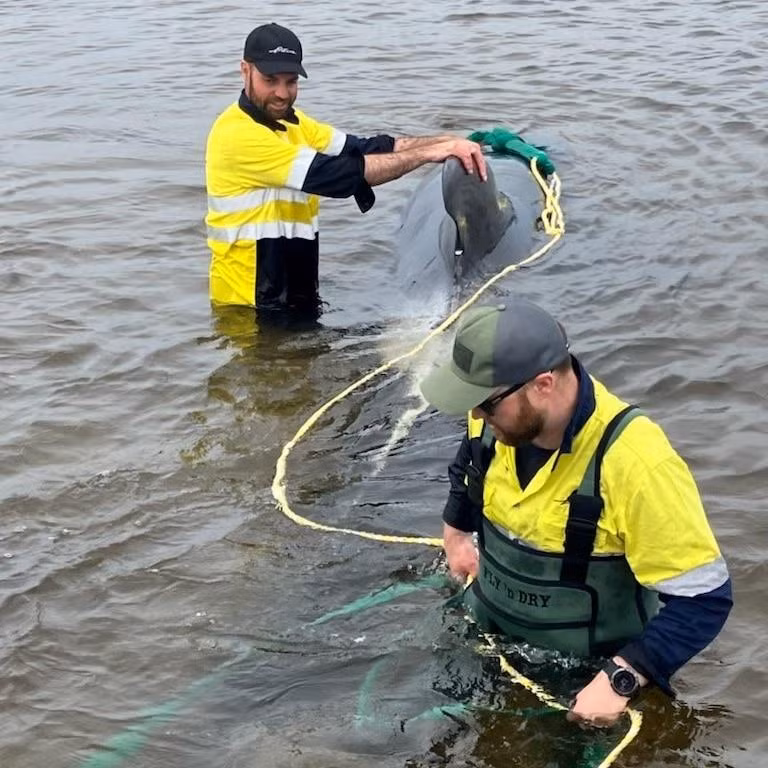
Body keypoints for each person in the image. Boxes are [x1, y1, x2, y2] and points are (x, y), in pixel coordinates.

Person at [419, 298, 732, 726]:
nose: (475, 414)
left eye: (486, 404)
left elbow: (704, 600)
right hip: (490, 630)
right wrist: (455, 536)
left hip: (586, 676)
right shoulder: (494, 420)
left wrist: (622, 678)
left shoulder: (636, 462)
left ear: (543, 385)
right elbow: (466, 473)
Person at [205, 22, 487, 314]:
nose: (282, 93)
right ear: (245, 70)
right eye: (270, 80)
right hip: (248, 309)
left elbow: (363, 149)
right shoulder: (237, 134)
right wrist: (431, 153)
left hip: (294, 294)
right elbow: (342, 175)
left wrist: (447, 142)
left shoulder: (294, 123)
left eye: (290, 81)